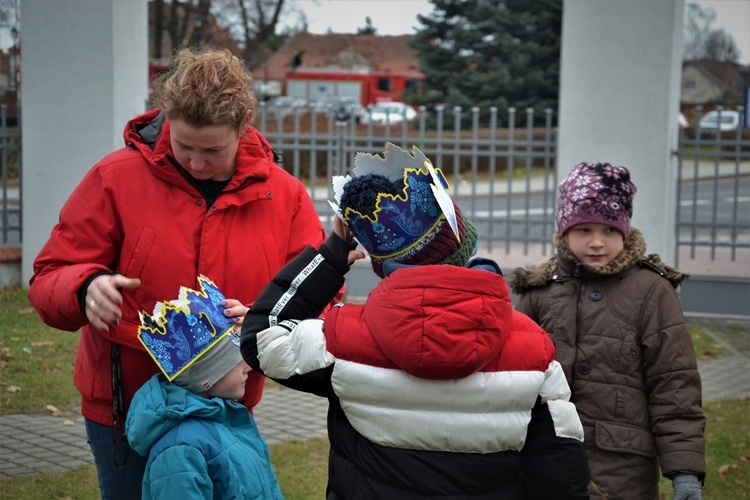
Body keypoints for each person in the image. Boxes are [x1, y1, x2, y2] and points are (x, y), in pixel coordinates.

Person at [27, 47, 333, 499]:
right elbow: (51, 274)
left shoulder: (283, 196)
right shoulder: (115, 178)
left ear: (243, 124)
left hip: (226, 408)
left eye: (212, 150)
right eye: (183, 145)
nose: (195, 162)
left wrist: (266, 317)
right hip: (127, 408)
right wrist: (85, 287)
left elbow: (318, 295)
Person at [241, 142, 591, 499]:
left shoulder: (344, 340)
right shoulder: (533, 349)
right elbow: (561, 469)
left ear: (383, 263)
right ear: (462, 243)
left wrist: (333, 254)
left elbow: (263, 335)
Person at [508, 162, 706, 500]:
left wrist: (684, 472)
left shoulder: (651, 291)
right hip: (545, 457)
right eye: (584, 230)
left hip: (622, 468)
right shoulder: (539, 291)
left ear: (625, 232)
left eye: (609, 231)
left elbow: (673, 383)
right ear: (564, 231)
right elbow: (511, 375)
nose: (597, 242)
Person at [125, 276, 284, 499]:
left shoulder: (230, 416)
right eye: (235, 361)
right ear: (206, 376)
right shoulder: (180, 451)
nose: (248, 367)